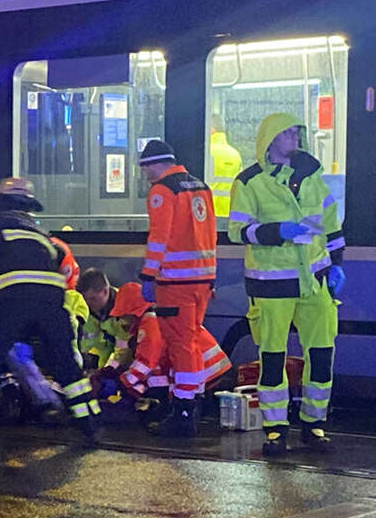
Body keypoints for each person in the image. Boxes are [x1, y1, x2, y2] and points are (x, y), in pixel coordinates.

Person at [0, 177, 101, 448]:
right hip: (51, 304)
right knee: (67, 365)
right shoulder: (41, 236)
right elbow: (55, 260)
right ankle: (89, 425)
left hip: (12, 302)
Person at [229, 113, 343, 455]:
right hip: (272, 282)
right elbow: (237, 230)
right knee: (273, 358)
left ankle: (314, 423)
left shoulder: (312, 176)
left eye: (297, 132)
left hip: (314, 279)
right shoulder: (249, 182)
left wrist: (337, 264)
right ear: (272, 139)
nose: (296, 137)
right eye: (289, 133)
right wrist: (275, 232)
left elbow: (331, 223)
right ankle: (276, 429)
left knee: (322, 354)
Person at [137, 139, 219, 437]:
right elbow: (210, 234)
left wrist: (148, 275)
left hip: (175, 283)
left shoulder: (163, 190)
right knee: (193, 341)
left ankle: (183, 412)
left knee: (180, 345)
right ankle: (191, 400)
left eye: (145, 168)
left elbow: (159, 237)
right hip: (202, 281)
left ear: (155, 164)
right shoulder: (201, 187)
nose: (145, 174)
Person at [98, 282, 230, 424]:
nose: (122, 321)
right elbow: (156, 369)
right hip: (210, 369)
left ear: (133, 311)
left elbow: (146, 363)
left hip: (206, 372)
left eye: (123, 315)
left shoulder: (150, 323)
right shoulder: (154, 319)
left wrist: (122, 383)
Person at [77, 268, 131, 372]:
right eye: (85, 299)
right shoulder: (86, 311)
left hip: (130, 367)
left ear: (105, 291)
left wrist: (109, 370)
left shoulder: (125, 308)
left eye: (93, 298)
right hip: (104, 365)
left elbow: (124, 350)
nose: (88, 303)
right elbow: (86, 342)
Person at [208, 114, 243, 218]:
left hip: (209, 212)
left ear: (211, 129)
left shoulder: (207, 153)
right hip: (232, 213)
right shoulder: (235, 154)